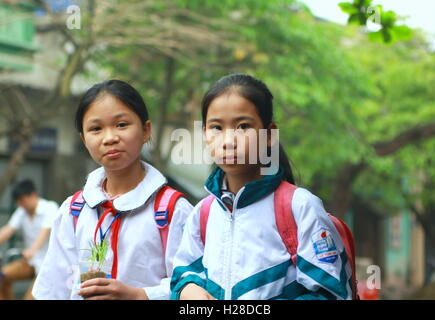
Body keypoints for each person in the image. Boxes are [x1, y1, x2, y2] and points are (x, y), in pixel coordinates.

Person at [170, 73, 353, 300]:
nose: (228, 141)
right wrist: (189, 289)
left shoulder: (300, 207)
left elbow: (331, 293)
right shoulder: (203, 213)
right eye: (216, 127)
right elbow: (183, 273)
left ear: (269, 134)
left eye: (243, 126)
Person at [32, 79, 193, 300]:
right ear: (84, 139)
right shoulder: (73, 211)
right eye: (96, 129)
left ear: (146, 130)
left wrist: (140, 295)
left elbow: (193, 288)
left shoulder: (173, 211)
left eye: (121, 125)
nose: (110, 138)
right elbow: (53, 290)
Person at [0, 179, 59, 300]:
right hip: (30, 262)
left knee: (31, 297)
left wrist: (32, 250)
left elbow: (44, 232)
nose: (20, 204)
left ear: (33, 195)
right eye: (18, 201)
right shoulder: (22, 211)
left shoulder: (49, 207)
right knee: (2, 275)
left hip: (48, 264)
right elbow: (8, 230)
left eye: (22, 200)